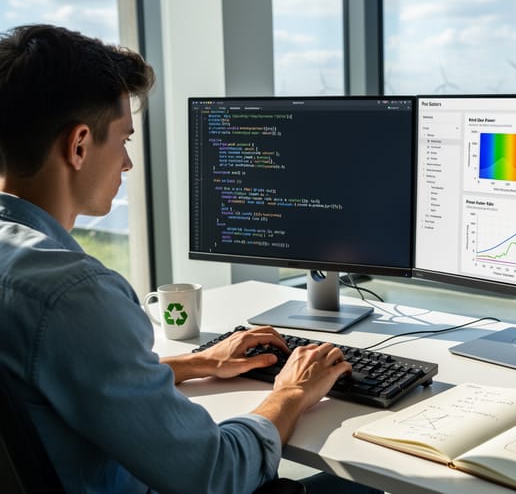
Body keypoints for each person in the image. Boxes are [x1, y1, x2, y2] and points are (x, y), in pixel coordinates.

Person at [0, 24, 369, 493]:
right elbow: (215, 473)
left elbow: (58, 383)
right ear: (78, 146)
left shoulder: (25, 274)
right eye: (123, 140)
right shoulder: (73, 295)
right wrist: (293, 392)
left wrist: (200, 363)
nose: (127, 164)